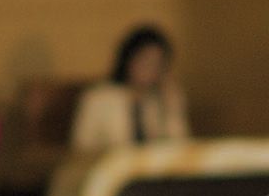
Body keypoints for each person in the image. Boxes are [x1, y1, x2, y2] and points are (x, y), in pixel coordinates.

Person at [70, 24, 189, 152]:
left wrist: (172, 110)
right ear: (128, 59)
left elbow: (179, 149)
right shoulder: (99, 98)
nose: (150, 69)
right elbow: (80, 147)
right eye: (145, 61)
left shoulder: (158, 100)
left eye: (158, 64)